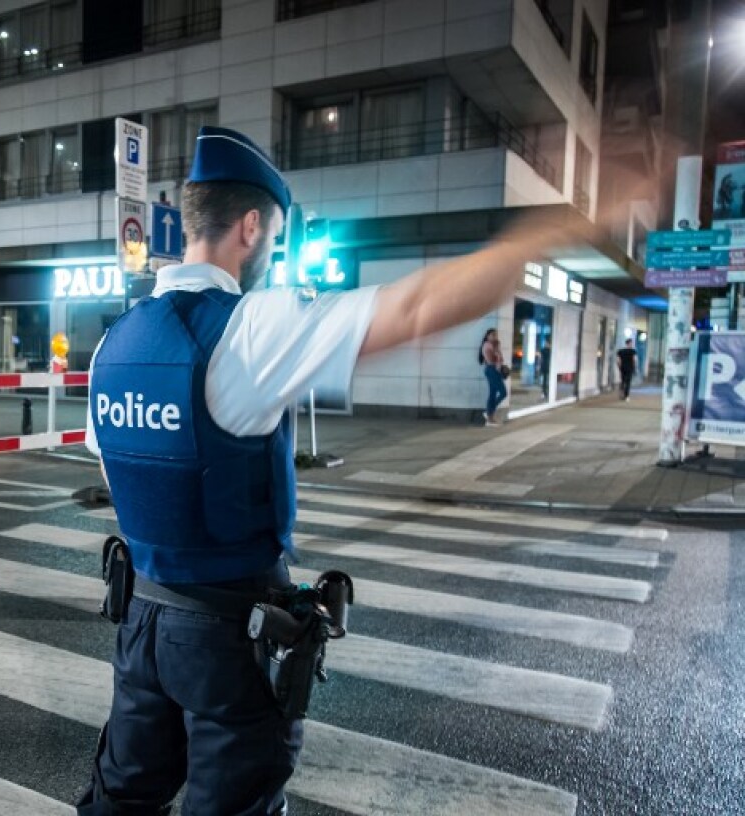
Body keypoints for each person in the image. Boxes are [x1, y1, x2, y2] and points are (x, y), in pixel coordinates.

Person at [78, 124, 599, 815]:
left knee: (121, 800)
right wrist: (540, 240)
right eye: (277, 236)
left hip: (141, 624)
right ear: (253, 225)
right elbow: (412, 308)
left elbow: (126, 474)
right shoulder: (250, 326)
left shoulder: (116, 341)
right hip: (228, 636)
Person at [479, 328, 509, 426]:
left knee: (493, 393)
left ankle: (489, 417)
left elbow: (501, 358)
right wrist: (497, 351)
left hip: (496, 370)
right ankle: (489, 412)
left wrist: (498, 351)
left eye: (495, 335)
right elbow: (491, 359)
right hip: (491, 370)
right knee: (503, 392)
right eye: (492, 335)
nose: (494, 337)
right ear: (487, 336)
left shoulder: (495, 345)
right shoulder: (487, 345)